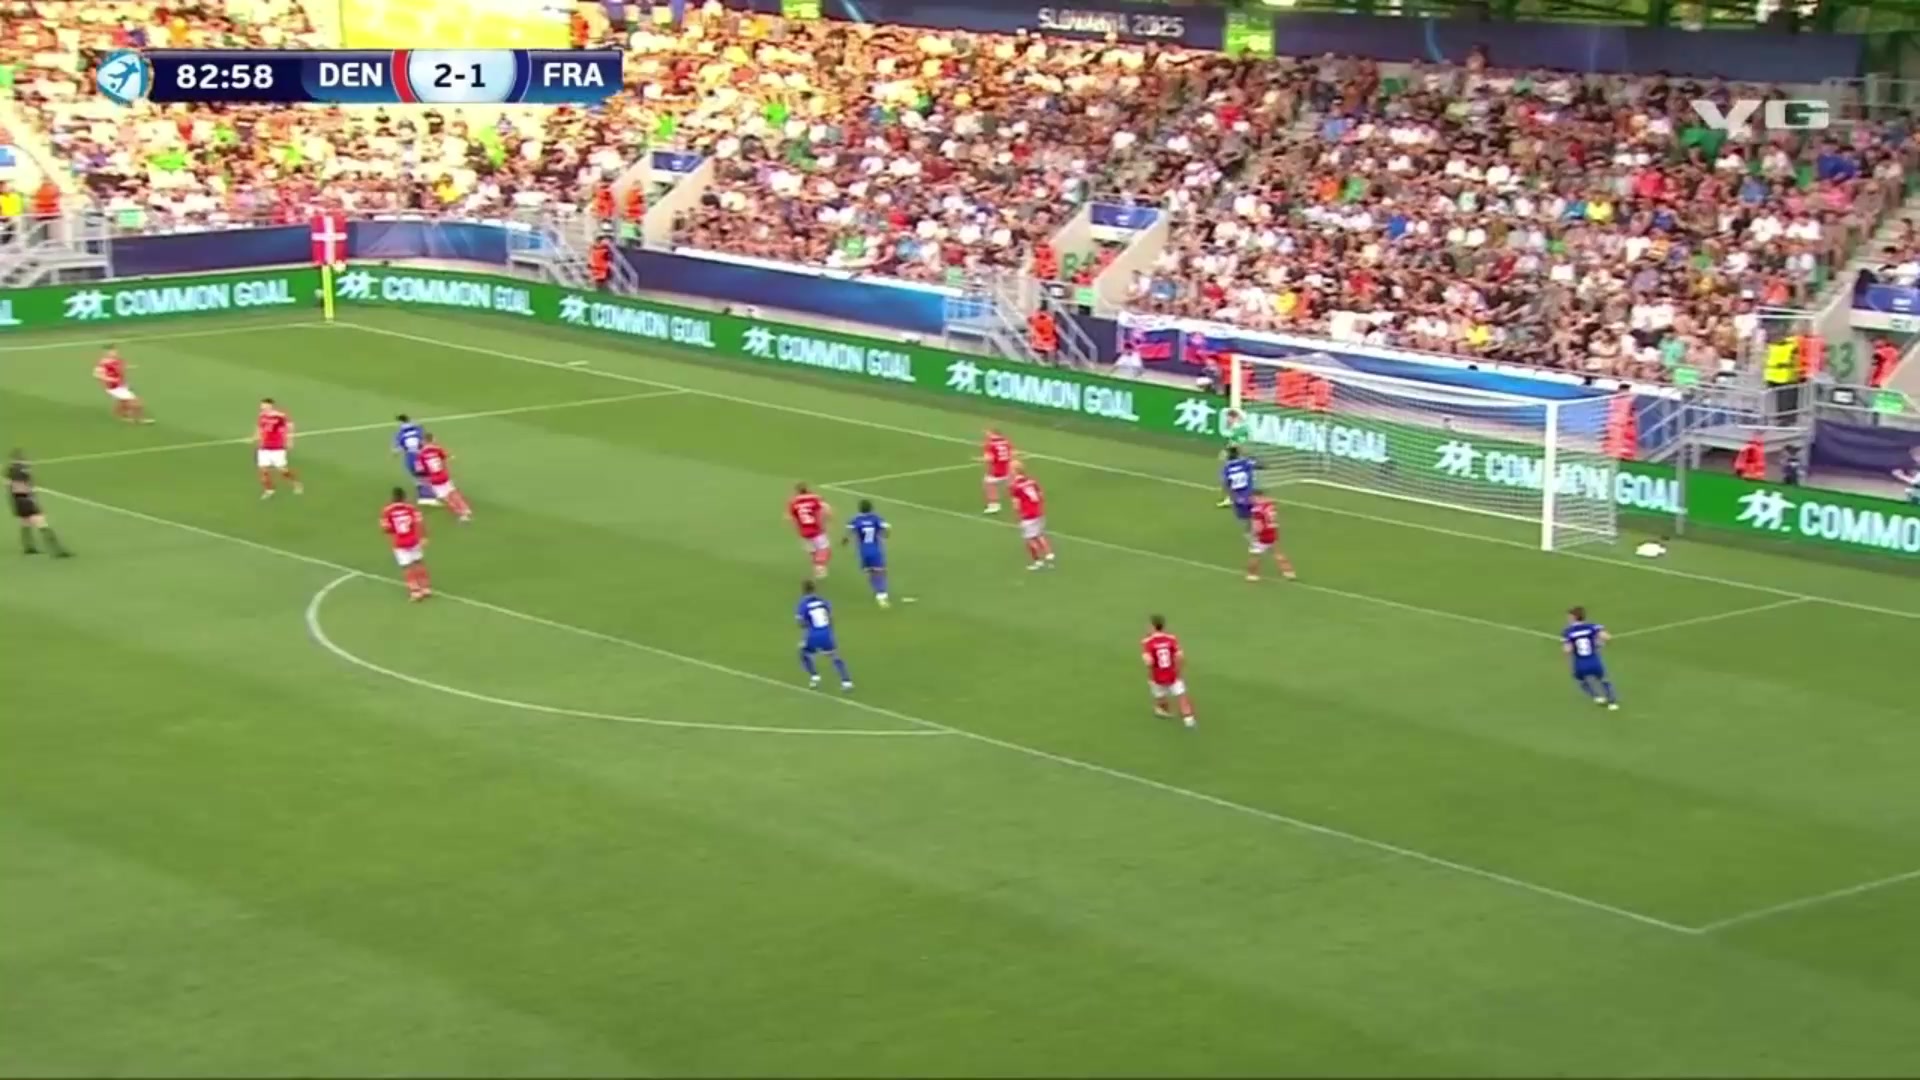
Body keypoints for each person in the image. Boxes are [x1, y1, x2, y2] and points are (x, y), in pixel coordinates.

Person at [9, 450, 71, 557]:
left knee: (25, 522)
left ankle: (28, 547)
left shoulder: (10, 471)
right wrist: (31, 493)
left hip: (18, 503)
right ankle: (58, 550)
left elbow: (12, 487)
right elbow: (24, 487)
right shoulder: (23, 472)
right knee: (42, 524)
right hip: (26, 502)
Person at [796, 581, 853, 691]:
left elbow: (801, 623)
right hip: (826, 633)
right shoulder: (823, 601)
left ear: (803, 590)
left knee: (803, 652)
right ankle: (846, 681)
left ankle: (814, 676)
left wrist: (807, 626)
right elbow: (830, 618)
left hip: (813, 635)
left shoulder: (803, 604)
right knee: (834, 656)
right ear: (814, 589)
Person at [1140, 615, 1195, 728]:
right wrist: (1178, 670)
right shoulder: (1171, 638)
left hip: (1157, 677)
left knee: (1160, 698)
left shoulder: (1147, 642)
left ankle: (1162, 710)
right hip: (1173, 674)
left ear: (1152, 626)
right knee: (1182, 697)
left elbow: (1148, 662)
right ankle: (1189, 722)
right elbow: (1180, 656)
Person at [1562, 606, 1618, 711]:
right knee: (1604, 680)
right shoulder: (1592, 627)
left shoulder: (1568, 632)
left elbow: (1567, 650)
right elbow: (1607, 637)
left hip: (1580, 664)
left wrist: (1568, 658)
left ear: (1573, 617)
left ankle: (1596, 696)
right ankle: (1612, 703)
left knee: (1580, 680)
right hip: (1594, 660)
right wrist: (1601, 644)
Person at [380, 487, 431, 601]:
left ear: (393, 497)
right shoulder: (411, 508)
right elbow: (420, 522)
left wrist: (394, 532)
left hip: (400, 543)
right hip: (413, 540)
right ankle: (426, 588)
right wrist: (424, 537)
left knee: (407, 567)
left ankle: (415, 591)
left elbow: (386, 528)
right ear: (404, 497)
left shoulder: (387, 511)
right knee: (418, 563)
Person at [843, 499, 891, 607]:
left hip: (863, 550)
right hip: (875, 549)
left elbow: (849, 531)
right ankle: (881, 594)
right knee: (880, 571)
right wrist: (885, 536)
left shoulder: (856, 519)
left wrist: (845, 541)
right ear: (871, 508)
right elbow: (887, 528)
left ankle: (876, 590)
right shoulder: (876, 518)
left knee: (870, 571)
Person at [415, 433, 473, 521]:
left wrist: (426, 477)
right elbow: (448, 457)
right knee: (453, 492)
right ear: (432, 439)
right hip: (443, 476)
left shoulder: (420, 455)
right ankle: (465, 509)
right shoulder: (437, 449)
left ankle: (461, 515)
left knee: (446, 498)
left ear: (424, 441)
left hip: (434, 480)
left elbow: (419, 470)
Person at [1245, 489, 1295, 582]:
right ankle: (1289, 573)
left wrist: (1253, 535)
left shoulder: (1257, 510)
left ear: (1257, 497)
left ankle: (1252, 575)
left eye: (1252, 497)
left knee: (1255, 555)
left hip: (1262, 536)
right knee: (1278, 554)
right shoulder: (1270, 506)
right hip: (1272, 532)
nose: (1251, 499)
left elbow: (1257, 525)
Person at [256, 398, 301, 498]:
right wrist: (256, 436)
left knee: (283, 471)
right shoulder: (262, 415)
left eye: (264, 405)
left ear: (270, 405)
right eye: (262, 405)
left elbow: (290, 426)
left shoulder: (280, 416)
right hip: (264, 448)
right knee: (263, 471)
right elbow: (260, 427)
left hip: (277, 447)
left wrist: (290, 440)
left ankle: (296, 484)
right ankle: (269, 490)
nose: (262, 407)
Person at [787, 483, 832, 578]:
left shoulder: (793, 502)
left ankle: (817, 566)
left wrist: (798, 529)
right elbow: (824, 510)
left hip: (804, 532)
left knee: (813, 552)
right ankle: (819, 567)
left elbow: (791, 518)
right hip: (816, 530)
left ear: (797, 491)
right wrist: (826, 523)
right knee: (825, 550)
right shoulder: (814, 499)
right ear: (807, 489)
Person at [393, 414, 436, 505]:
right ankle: (428, 495)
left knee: (416, 476)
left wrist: (396, 452)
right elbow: (424, 439)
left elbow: (397, 449)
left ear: (400, 422)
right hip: (421, 454)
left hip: (410, 456)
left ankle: (424, 495)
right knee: (425, 475)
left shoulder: (400, 434)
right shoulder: (418, 428)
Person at [982, 428, 1014, 513]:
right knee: (1010, 484)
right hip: (1007, 468)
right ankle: (1019, 498)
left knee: (989, 485)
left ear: (992, 433)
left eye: (988, 433)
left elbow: (989, 458)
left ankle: (994, 506)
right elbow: (1012, 454)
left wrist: (981, 459)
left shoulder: (990, 444)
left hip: (995, 469)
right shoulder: (1006, 441)